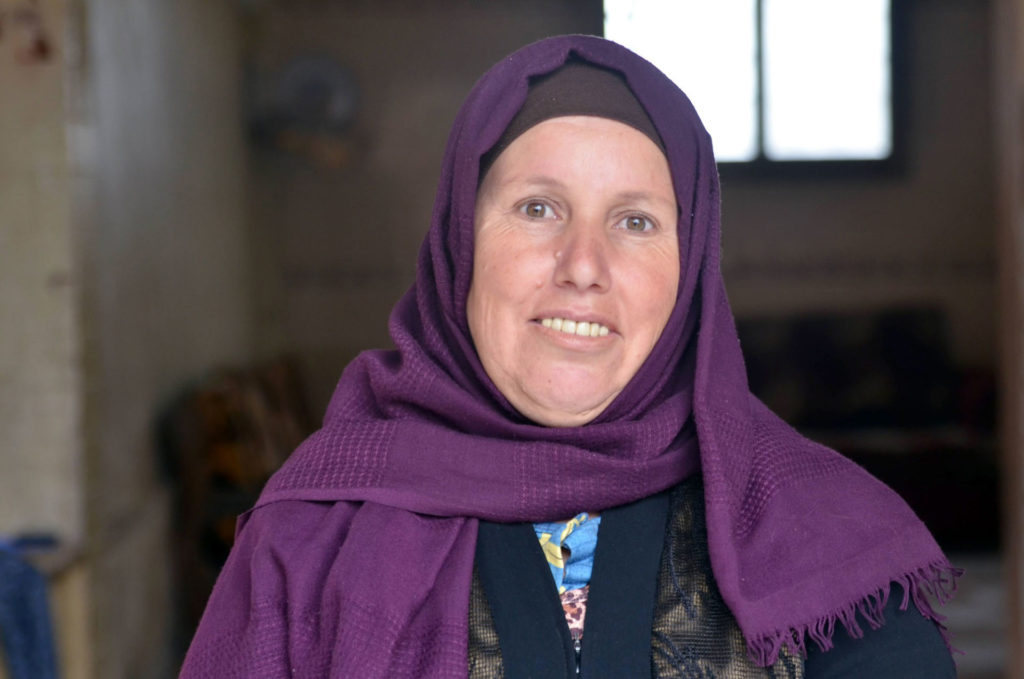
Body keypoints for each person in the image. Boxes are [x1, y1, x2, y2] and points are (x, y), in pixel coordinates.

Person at [180, 35, 960, 678]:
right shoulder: (308, 538)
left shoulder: (827, 535)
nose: (582, 263)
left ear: (691, 270)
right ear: (461, 244)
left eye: (636, 221)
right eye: (538, 208)